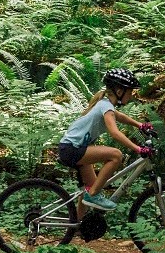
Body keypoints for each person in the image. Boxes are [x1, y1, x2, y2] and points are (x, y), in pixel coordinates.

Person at [58, 68, 152, 214]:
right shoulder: (105, 106)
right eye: (130, 91)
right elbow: (114, 133)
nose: (132, 95)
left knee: (90, 187)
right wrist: (138, 149)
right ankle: (93, 195)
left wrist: (140, 125)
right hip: (73, 149)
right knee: (115, 155)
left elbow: (121, 117)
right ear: (119, 91)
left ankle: (77, 225)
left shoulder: (105, 104)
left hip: (72, 148)